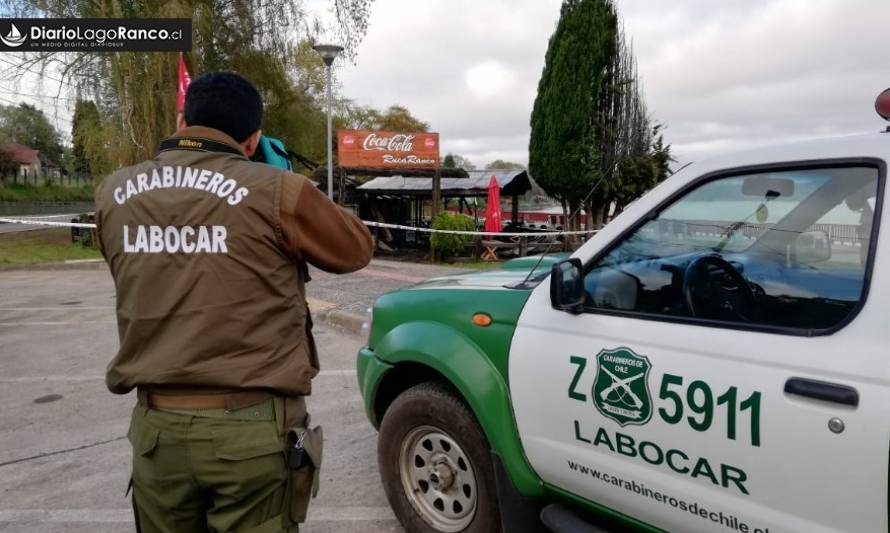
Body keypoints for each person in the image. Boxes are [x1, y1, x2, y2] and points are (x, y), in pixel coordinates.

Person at [94, 71, 373, 533]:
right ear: (253, 139)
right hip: (252, 432)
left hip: (156, 432)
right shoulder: (277, 191)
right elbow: (355, 249)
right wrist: (282, 181)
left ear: (182, 120)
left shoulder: (112, 193)